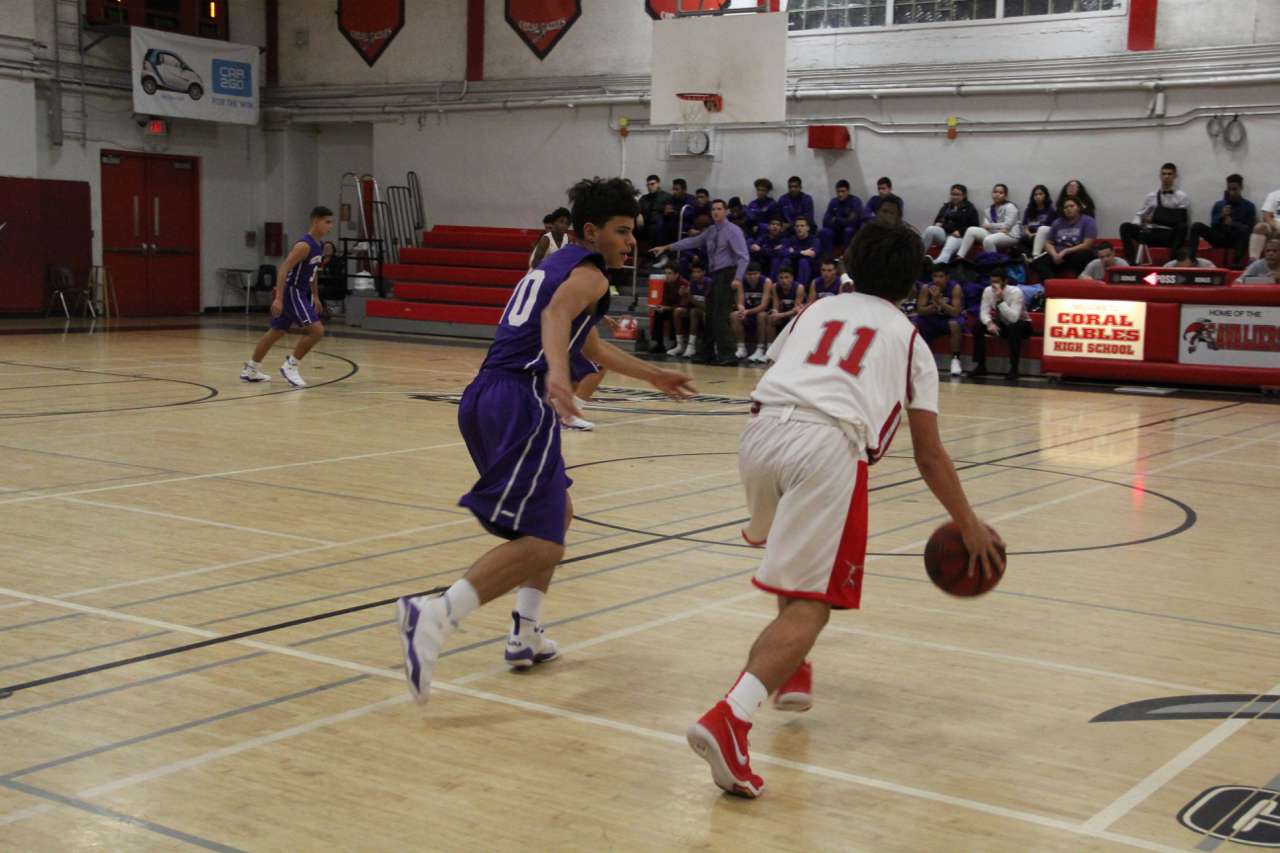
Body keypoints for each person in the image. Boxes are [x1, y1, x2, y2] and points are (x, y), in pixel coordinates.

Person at [685, 219, 1004, 799]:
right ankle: (731, 718)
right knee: (815, 604)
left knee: (795, 566)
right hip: (825, 445)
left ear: (851, 264)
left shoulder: (815, 310)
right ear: (912, 281)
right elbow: (929, 456)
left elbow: (783, 367)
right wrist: (969, 523)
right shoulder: (908, 338)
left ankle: (792, 666)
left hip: (759, 432)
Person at [396, 178, 697, 704]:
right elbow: (557, 319)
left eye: (634, 232)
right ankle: (437, 614)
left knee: (559, 512)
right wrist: (558, 374)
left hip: (485, 397)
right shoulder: (589, 275)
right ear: (590, 231)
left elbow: (593, 345)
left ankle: (526, 633)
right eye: (621, 231)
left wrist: (654, 374)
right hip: (519, 399)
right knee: (542, 540)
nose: (630, 242)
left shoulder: (554, 267)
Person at [241, 206, 332, 387]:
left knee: (275, 333)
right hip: (292, 292)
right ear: (316, 222)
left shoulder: (320, 245)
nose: (331, 226)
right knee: (317, 331)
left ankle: (251, 370)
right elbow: (283, 268)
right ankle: (291, 366)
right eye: (328, 222)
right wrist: (279, 298)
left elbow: (313, 272)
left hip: (301, 292)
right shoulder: (303, 245)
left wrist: (316, 296)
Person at [652, 198, 751, 366]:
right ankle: (707, 353)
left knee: (719, 315)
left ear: (725, 211)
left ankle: (728, 354)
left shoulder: (733, 230)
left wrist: (737, 278)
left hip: (728, 274)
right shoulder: (712, 230)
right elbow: (691, 241)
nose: (716, 212)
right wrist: (667, 247)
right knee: (710, 314)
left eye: (719, 209)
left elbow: (744, 256)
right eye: (713, 209)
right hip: (717, 275)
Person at [1120, 163, 1190, 264]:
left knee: (1182, 227)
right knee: (1125, 227)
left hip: (1169, 235)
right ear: (1160, 176)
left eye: (1169, 174)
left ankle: (1172, 260)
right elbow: (1140, 214)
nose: (1166, 177)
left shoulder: (1181, 196)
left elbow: (1181, 218)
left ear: (1175, 176)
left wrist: (1157, 218)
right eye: (1164, 174)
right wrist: (1137, 223)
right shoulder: (1152, 196)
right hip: (1151, 233)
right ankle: (1131, 260)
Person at [971, 267, 1033, 381]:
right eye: (992, 282)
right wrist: (989, 323)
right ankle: (980, 365)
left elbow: (1014, 318)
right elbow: (984, 312)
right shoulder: (988, 291)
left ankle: (1014, 368)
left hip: (1022, 324)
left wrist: (1000, 300)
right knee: (978, 325)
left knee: (1014, 327)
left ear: (1005, 281)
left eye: (997, 282)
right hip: (1002, 322)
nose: (994, 285)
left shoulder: (1016, 292)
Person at [1189, 174, 1255, 268]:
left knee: (1244, 229)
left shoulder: (1249, 206)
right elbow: (1213, 224)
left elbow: (1250, 227)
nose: (1231, 192)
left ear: (1241, 188)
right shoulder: (1219, 205)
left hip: (1235, 239)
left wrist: (1233, 224)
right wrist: (1221, 216)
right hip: (1219, 236)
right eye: (1229, 189)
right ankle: (1191, 258)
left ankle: (1236, 262)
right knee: (1196, 226)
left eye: (1234, 189)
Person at [915, 262, 966, 377]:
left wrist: (939, 301)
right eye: (935, 276)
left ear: (947, 276)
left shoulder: (955, 287)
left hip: (949, 319)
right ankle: (915, 358)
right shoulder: (926, 288)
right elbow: (920, 310)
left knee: (954, 323)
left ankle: (955, 360)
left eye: (941, 276)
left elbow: (955, 312)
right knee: (914, 322)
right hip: (934, 319)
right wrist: (933, 305)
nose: (937, 280)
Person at [1030, 197, 1097, 280]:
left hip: (1076, 253)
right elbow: (1048, 243)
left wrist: (1066, 251)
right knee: (1037, 263)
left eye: (1072, 206)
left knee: (1082, 255)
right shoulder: (1057, 222)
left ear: (1079, 207)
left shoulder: (1088, 221)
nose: (1069, 209)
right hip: (1059, 255)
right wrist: (1055, 255)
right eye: (1066, 207)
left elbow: (1087, 245)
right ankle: (1052, 285)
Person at [921, 184, 981, 263]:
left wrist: (961, 232)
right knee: (930, 229)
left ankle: (937, 264)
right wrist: (937, 224)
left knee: (948, 248)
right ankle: (918, 255)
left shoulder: (970, 209)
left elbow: (974, 227)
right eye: (953, 194)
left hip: (958, 237)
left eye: (958, 195)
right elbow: (937, 220)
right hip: (945, 233)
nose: (955, 197)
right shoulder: (946, 207)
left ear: (964, 195)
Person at [958, 184, 1021, 257]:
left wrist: (991, 226)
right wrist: (997, 228)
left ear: (1005, 195)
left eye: (1000, 193)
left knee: (988, 240)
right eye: (995, 192)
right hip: (994, 233)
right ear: (992, 194)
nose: (997, 194)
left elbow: (1007, 225)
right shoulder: (988, 209)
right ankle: (960, 257)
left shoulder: (1010, 207)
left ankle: (993, 264)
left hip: (1011, 235)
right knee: (971, 230)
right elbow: (986, 226)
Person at [732, 261, 773, 363]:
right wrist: (741, 309)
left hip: (760, 312)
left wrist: (747, 311)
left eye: (755, 274)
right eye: (749, 274)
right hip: (748, 312)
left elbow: (764, 305)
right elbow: (740, 302)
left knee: (762, 315)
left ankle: (760, 349)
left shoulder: (766, 282)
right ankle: (741, 348)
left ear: (759, 273)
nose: (752, 277)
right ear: (745, 274)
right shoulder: (741, 282)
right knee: (734, 315)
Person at [673, 258, 710, 356]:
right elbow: (683, 305)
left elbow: (707, 307)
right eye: (693, 272)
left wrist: (690, 297)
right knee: (677, 311)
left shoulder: (709, 284)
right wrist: (683, 295)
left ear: (704, 272)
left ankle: (692, 345)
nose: (695, 274)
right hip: (693, 310)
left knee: (695, 311)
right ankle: (680, 345)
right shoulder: (691, 283)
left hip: (706, 312)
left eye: (698, 272)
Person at [651, 260, 686, 354]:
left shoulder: (684, 284)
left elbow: (684, 303)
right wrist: (660, 306)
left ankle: (676, 342)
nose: (667, 276)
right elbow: (665, 299)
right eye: (666, 273)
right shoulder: (666, 284)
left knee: (675, 313)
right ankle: (659, 343)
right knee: (658, 312)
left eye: (670, 273)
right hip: (671, 308)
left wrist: (669, 308)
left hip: (682, 310)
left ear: (677, 274)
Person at [819, 180, 864, 249]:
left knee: (848, 230)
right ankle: (828, 256)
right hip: (837, 230)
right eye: (838, 192)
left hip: (851, 231)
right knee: (823, 231)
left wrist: (837, 220)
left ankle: (849, 257)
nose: (840, 194)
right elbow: (825, 222)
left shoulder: (855, 201)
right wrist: (845, 221)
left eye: (843, 191)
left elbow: (855, 221)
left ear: (848, 191)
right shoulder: (833, 202)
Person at [764, 264, 804, 341]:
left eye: (786, 277)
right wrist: (775, 313)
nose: (784, 280)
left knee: (792, 319)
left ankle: (790, 346)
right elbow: (775, 306)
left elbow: (795, 310)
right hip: (782, 314)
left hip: (793, 315)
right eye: (781, 278)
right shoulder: (775, 287)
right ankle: (770, 347)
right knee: (770, 319)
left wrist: (781, 315)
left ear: (792, 278)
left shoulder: (799, 288)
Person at [780, 215, 823, 287]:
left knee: (803, 261)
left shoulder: (814, 240)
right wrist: (801, 252)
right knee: (786, 260)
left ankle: (800, 289)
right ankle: (780, 287)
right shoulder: (791, 239)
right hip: (794, 266)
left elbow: (812, 254)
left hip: (809, 267)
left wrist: (794, 252)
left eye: (802, 226)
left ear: (808, 228)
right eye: (797, 226)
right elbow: (782, 252)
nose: (799, 228)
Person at [638, 175, 673, 256]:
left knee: (654, 229)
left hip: (659, 223)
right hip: (644, 223)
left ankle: (651, 257)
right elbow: (636, 209)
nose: (650, 187)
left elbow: (670, 212)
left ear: (659, 184)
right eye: (648, 185)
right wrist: (638, 215)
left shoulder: (667, 197)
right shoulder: (644, 198)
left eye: (652, 184)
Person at [1021, 185, 1056, 257]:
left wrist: (1037, 235)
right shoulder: (1029, 210)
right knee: (1022, 240)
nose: (1038, 196)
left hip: (1043, 236)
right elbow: (1026, 228)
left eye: (1040, 194)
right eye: (1036, 194)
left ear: (1045, 195)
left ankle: (1033, 257)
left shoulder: (1050, 211)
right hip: (1031, 235)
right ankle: (1029, 258)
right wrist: (1030, 235)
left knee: (1034, 239)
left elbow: (1051, 229)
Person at [1249, 187, 1280, 261]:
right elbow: (1267, 216)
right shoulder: (1274, 195)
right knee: (1260, 227)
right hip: (1275, 228)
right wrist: (1277, 228)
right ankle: (1253, 261)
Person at [661, 179, 695, 246]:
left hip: (686, 223)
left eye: (677, 190)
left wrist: (674, 213)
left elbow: (687, 215)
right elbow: (667, 215)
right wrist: (665, 213)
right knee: (661, 224)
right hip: (674, 222)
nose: (674, 192)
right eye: (673, 189)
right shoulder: (672, 199)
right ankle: (663, 250)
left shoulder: (691, 199)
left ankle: (679, 252)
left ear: (684, 190)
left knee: (678, 227)